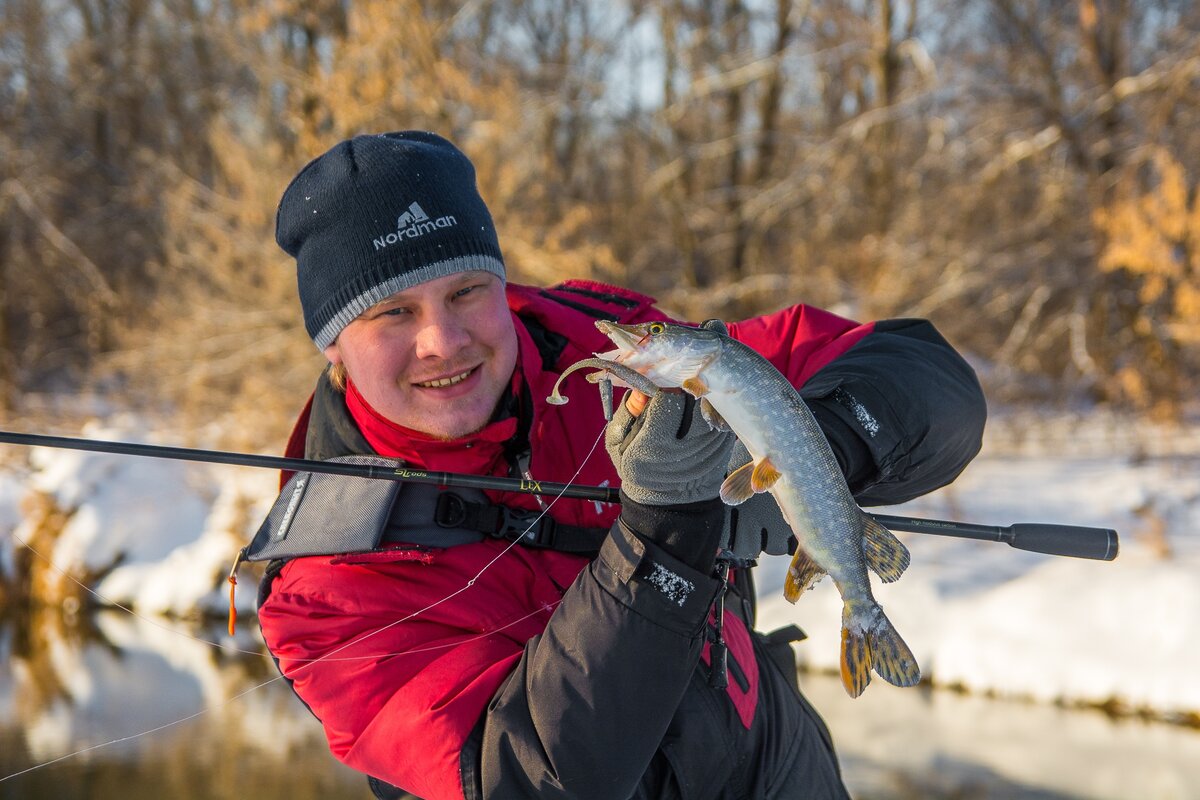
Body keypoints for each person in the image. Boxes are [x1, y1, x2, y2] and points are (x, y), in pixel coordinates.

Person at [252, 131, 986, 800]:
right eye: (393, 313)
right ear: (332, 344)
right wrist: (665, 530)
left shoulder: (612, 355)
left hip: (781, 770)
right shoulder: (324, 593)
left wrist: (800, 454)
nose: (443, 340)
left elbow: (934, 385)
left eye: (467, 291)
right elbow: (525, 778)